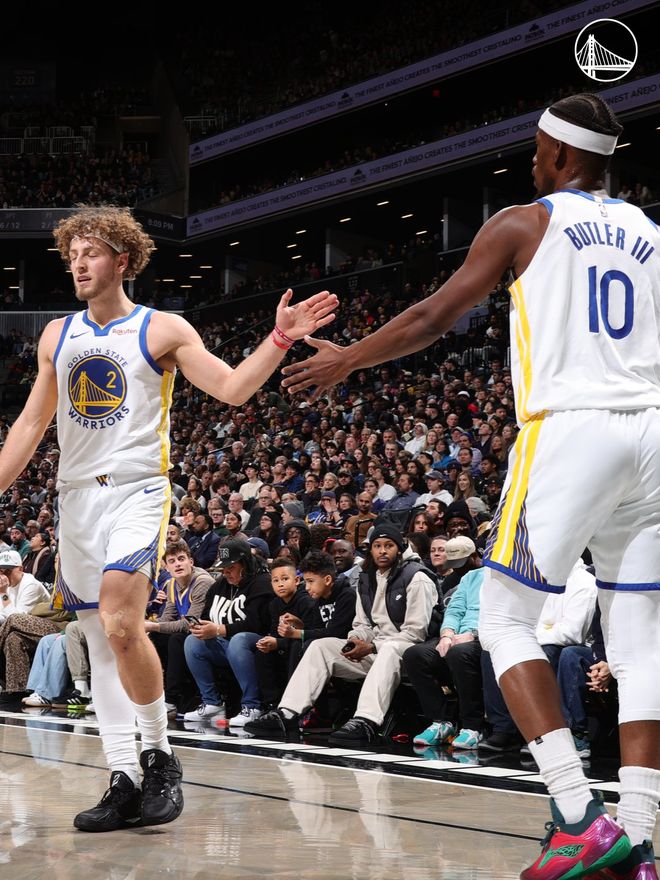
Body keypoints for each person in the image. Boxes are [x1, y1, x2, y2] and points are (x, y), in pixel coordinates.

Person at [282, 94, 658, 879]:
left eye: (537, 147)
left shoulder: (525, 221)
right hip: (652, 431)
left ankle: (577, 816)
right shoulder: (652, 234)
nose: (531, 160)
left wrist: (347, 359)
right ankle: (642, 839)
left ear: (561, 154)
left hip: (572, 426)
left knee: (504, 616)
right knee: (640, 639)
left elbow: (431, 317)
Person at [0, 205, 337, 834]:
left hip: (136, 491)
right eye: (72, 254)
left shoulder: (162, 329)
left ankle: (159, 756)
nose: (78, 263)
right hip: (75, 499)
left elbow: (233, 388)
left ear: (122, 260)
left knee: (122, 623)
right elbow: (29, 425)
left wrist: (280, 338)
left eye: (91, 252)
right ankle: (123, 777)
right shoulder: (57, 336)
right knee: (100, 642)